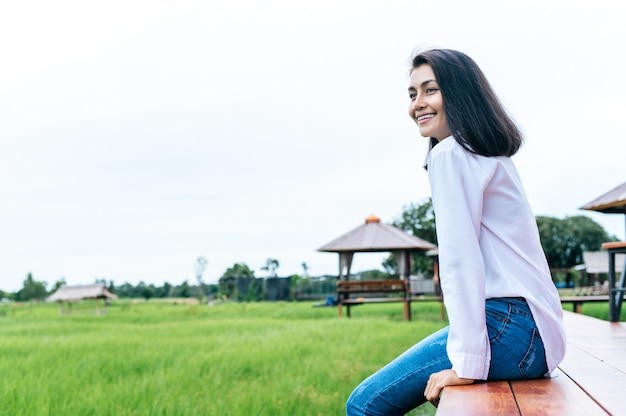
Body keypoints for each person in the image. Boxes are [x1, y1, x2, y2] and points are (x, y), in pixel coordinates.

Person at [345, 48, 566, 415]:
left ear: (460, 92)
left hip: (509, 325)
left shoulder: (450, 153)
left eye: (430, 90)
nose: (418, 104)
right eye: (412, 94)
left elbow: (460, 262)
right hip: (538, 334)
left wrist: (468, 365)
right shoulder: (491, 155)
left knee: (364, 406)